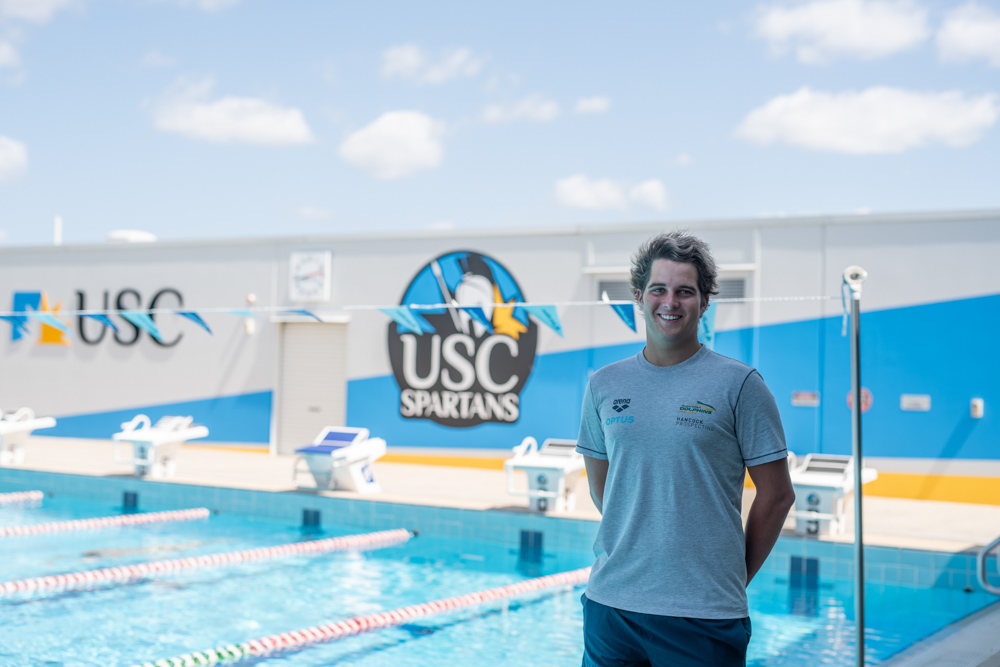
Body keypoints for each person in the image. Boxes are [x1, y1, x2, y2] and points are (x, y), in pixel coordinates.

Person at [576, 231, 795, 667]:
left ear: (704, 301)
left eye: (685, 291)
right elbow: (606, 491)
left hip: (703, 616)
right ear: (639, 296)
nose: (670, 301)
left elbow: (777, 494)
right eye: (658, 289)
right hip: (611, 607)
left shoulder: (739, 385)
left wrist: (730, 577)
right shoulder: (604, 385)